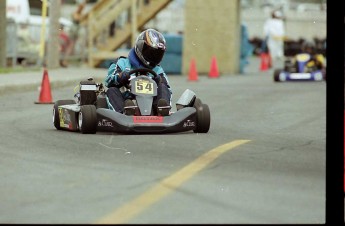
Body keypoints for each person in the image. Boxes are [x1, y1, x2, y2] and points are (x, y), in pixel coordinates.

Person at [104, 28, 172, 116]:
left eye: (157, 55)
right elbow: (108, 81)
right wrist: (120, 77)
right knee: (112, 90)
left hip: (151, 103)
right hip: (126, 99)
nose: (153, 57)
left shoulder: (157, 70)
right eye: (151, 53)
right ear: (140, 46)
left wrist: (159, 81)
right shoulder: (122, 63)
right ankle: (124, 112)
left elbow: (166, 87)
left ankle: (162, 111)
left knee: (163, 87)